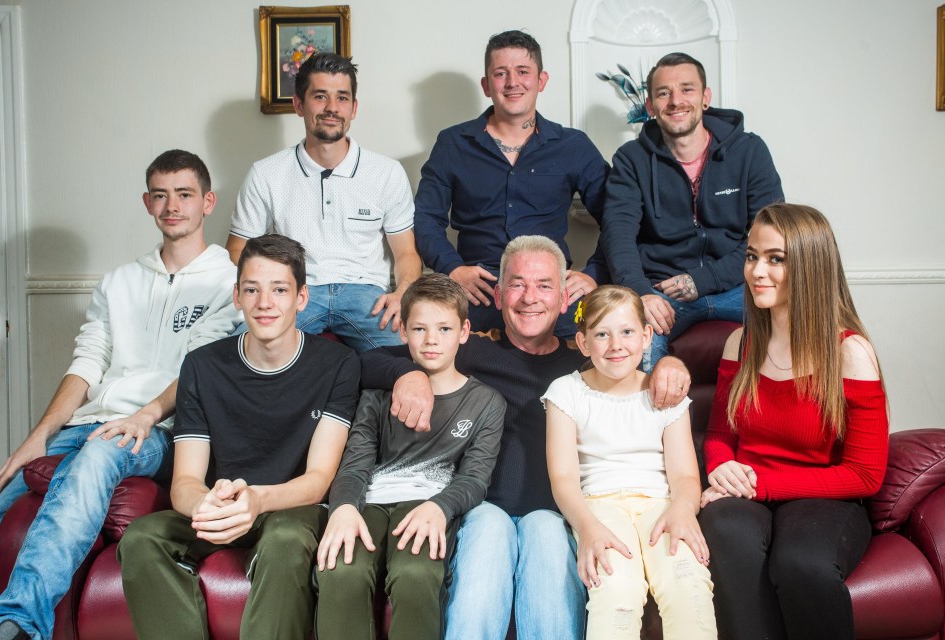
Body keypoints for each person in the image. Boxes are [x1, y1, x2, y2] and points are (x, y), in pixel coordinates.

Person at [360, 235, 690, 640]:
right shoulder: (468, 348)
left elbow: (637, 371)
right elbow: (361, 362)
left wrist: (670, 362)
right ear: (498, 296)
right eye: (517, 284)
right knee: (489, 531)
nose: (529, 297)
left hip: (556, 514)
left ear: (564, 298)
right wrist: (407, 374)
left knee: (546, 533)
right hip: (479, 507)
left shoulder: (587, 362)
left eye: (544, 285)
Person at [0, 150, 240, 640]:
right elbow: (86, 362)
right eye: (161, 195)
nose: (173, 206)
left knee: (101, 454)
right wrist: (38, 437)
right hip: (89, 420)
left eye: (184, 194)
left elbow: (199, 368)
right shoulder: (119, 281)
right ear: (147, 203)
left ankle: (17, 621)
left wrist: (145, 416)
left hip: (161, 429)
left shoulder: (230, 281)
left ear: (207, 202)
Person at [118, 234, 360, 639]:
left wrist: (259, 499)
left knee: (284, 537)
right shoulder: (202, 366)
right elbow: (184, 484)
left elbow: (318, 479)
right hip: (221, 505)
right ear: (237, 296)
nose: (265, 303)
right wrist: (207, 503)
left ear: (302, 297)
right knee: (142, 538)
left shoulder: (337, 364)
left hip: (290, 507)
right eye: (252, 289)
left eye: (279, 289)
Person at [698, 204, 889, 640]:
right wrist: (720, 464)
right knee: (727, 534)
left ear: (810, 265)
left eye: (775, 258)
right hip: (744, 492)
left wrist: (761, 484)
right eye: (751, 256)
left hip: (825, 495)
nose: (756, 271)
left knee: (800, 563)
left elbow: (864, 474)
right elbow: (719, 434)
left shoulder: (850, 353)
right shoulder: (740, 342)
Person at [315, 273, 506, 639]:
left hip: (427, 504)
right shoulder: (378, 393)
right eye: (419, 329)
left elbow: (475, 478)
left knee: (416, 574)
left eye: (444, 329)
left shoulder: (485, 402)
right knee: (340, 568)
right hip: (368, 503)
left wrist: (440, 507)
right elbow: (355, 461)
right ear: (402, 331)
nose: (431, 340)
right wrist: (343, 506)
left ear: (464, 331)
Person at [543, 285, 716, 639]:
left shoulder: (665, 396)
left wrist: (683, 509)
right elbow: (562, 478)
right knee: (616, 589)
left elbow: (684, 474)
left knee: (687, 581)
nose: (615, 345)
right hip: (598, 506)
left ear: (647, 335)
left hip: (661, 505)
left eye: (626, 332)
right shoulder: (566, 392)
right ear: (583, 342)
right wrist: (587, 527)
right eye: (602, 334)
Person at [414, 30, 610, 340]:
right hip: (477, 291)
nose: (512, 82)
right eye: (500, 73)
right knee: (438, 339)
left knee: (598, 332)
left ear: (541, 80)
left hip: (555, 295)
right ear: (486, 84)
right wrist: (452, 269)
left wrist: (593, 273)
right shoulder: (452, 143)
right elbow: (425, 219)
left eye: (523, 72)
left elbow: (618, 217)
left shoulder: (573, 146)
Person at [227, 52, 421, 353]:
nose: (332, 108)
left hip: (366, 293)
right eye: (320, 96)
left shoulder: (386, 172)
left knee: (411, 357)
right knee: (238, 352)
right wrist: (271, 289)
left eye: (342, 98)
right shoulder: (266, 173)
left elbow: (406, 252)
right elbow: (237, 249)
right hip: (297, 291)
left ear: (354, 108)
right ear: (298, 105)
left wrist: (403, 293)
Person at [601, 52, 784, 371]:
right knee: (634, 344)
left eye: (686, 89)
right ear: (650, 106)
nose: (676, 101)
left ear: (705, 98)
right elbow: (618, 235)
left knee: (808, 317)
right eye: (663, 93)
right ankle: (649, 423)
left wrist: (704, 279)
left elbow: (770, 236)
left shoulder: (749, 151)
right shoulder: (631, 159)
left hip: (741, 287)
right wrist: (642, 293)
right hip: (663, 291)